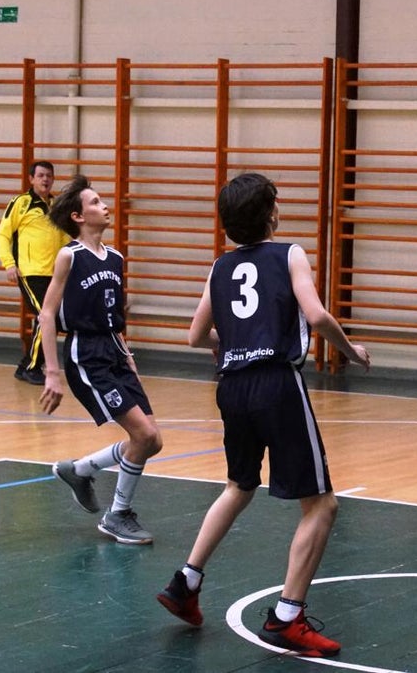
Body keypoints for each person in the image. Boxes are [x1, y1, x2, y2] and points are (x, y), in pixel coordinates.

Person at [155, 173, 370, 658]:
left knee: (239, 485)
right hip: (276, 384)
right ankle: (287, 617)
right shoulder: (289, 253)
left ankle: (185, 582)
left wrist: (234, 344)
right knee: (322, 505)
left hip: (232, 387)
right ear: (271, 213)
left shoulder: (219, 267)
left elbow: (195, 336)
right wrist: (351, 351)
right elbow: (315, 317)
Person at [38, 175, 163, 546]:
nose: (104, 205)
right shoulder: (69, 257)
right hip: (86, 355)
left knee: (152, 441)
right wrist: (52, 372)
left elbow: (114, 314)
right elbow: (47, 315)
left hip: (114, 352)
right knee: (142, 434)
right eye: (95, 202)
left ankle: (79, 470)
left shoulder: (117, 258)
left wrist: (128, 355)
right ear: (78, 216)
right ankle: (117, 515)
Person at [0, 160, 68, 386]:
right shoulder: (21, 203)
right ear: (31, 179)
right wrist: (8, 263)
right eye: (41, 175)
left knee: (48, 319)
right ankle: (31, 367)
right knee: (49, 318)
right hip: (30, 272)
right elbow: (3, 235)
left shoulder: (57, 206)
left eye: (49, 176)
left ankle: (26, 365)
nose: (45, 179)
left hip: (54, 275)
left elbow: (66, 238)